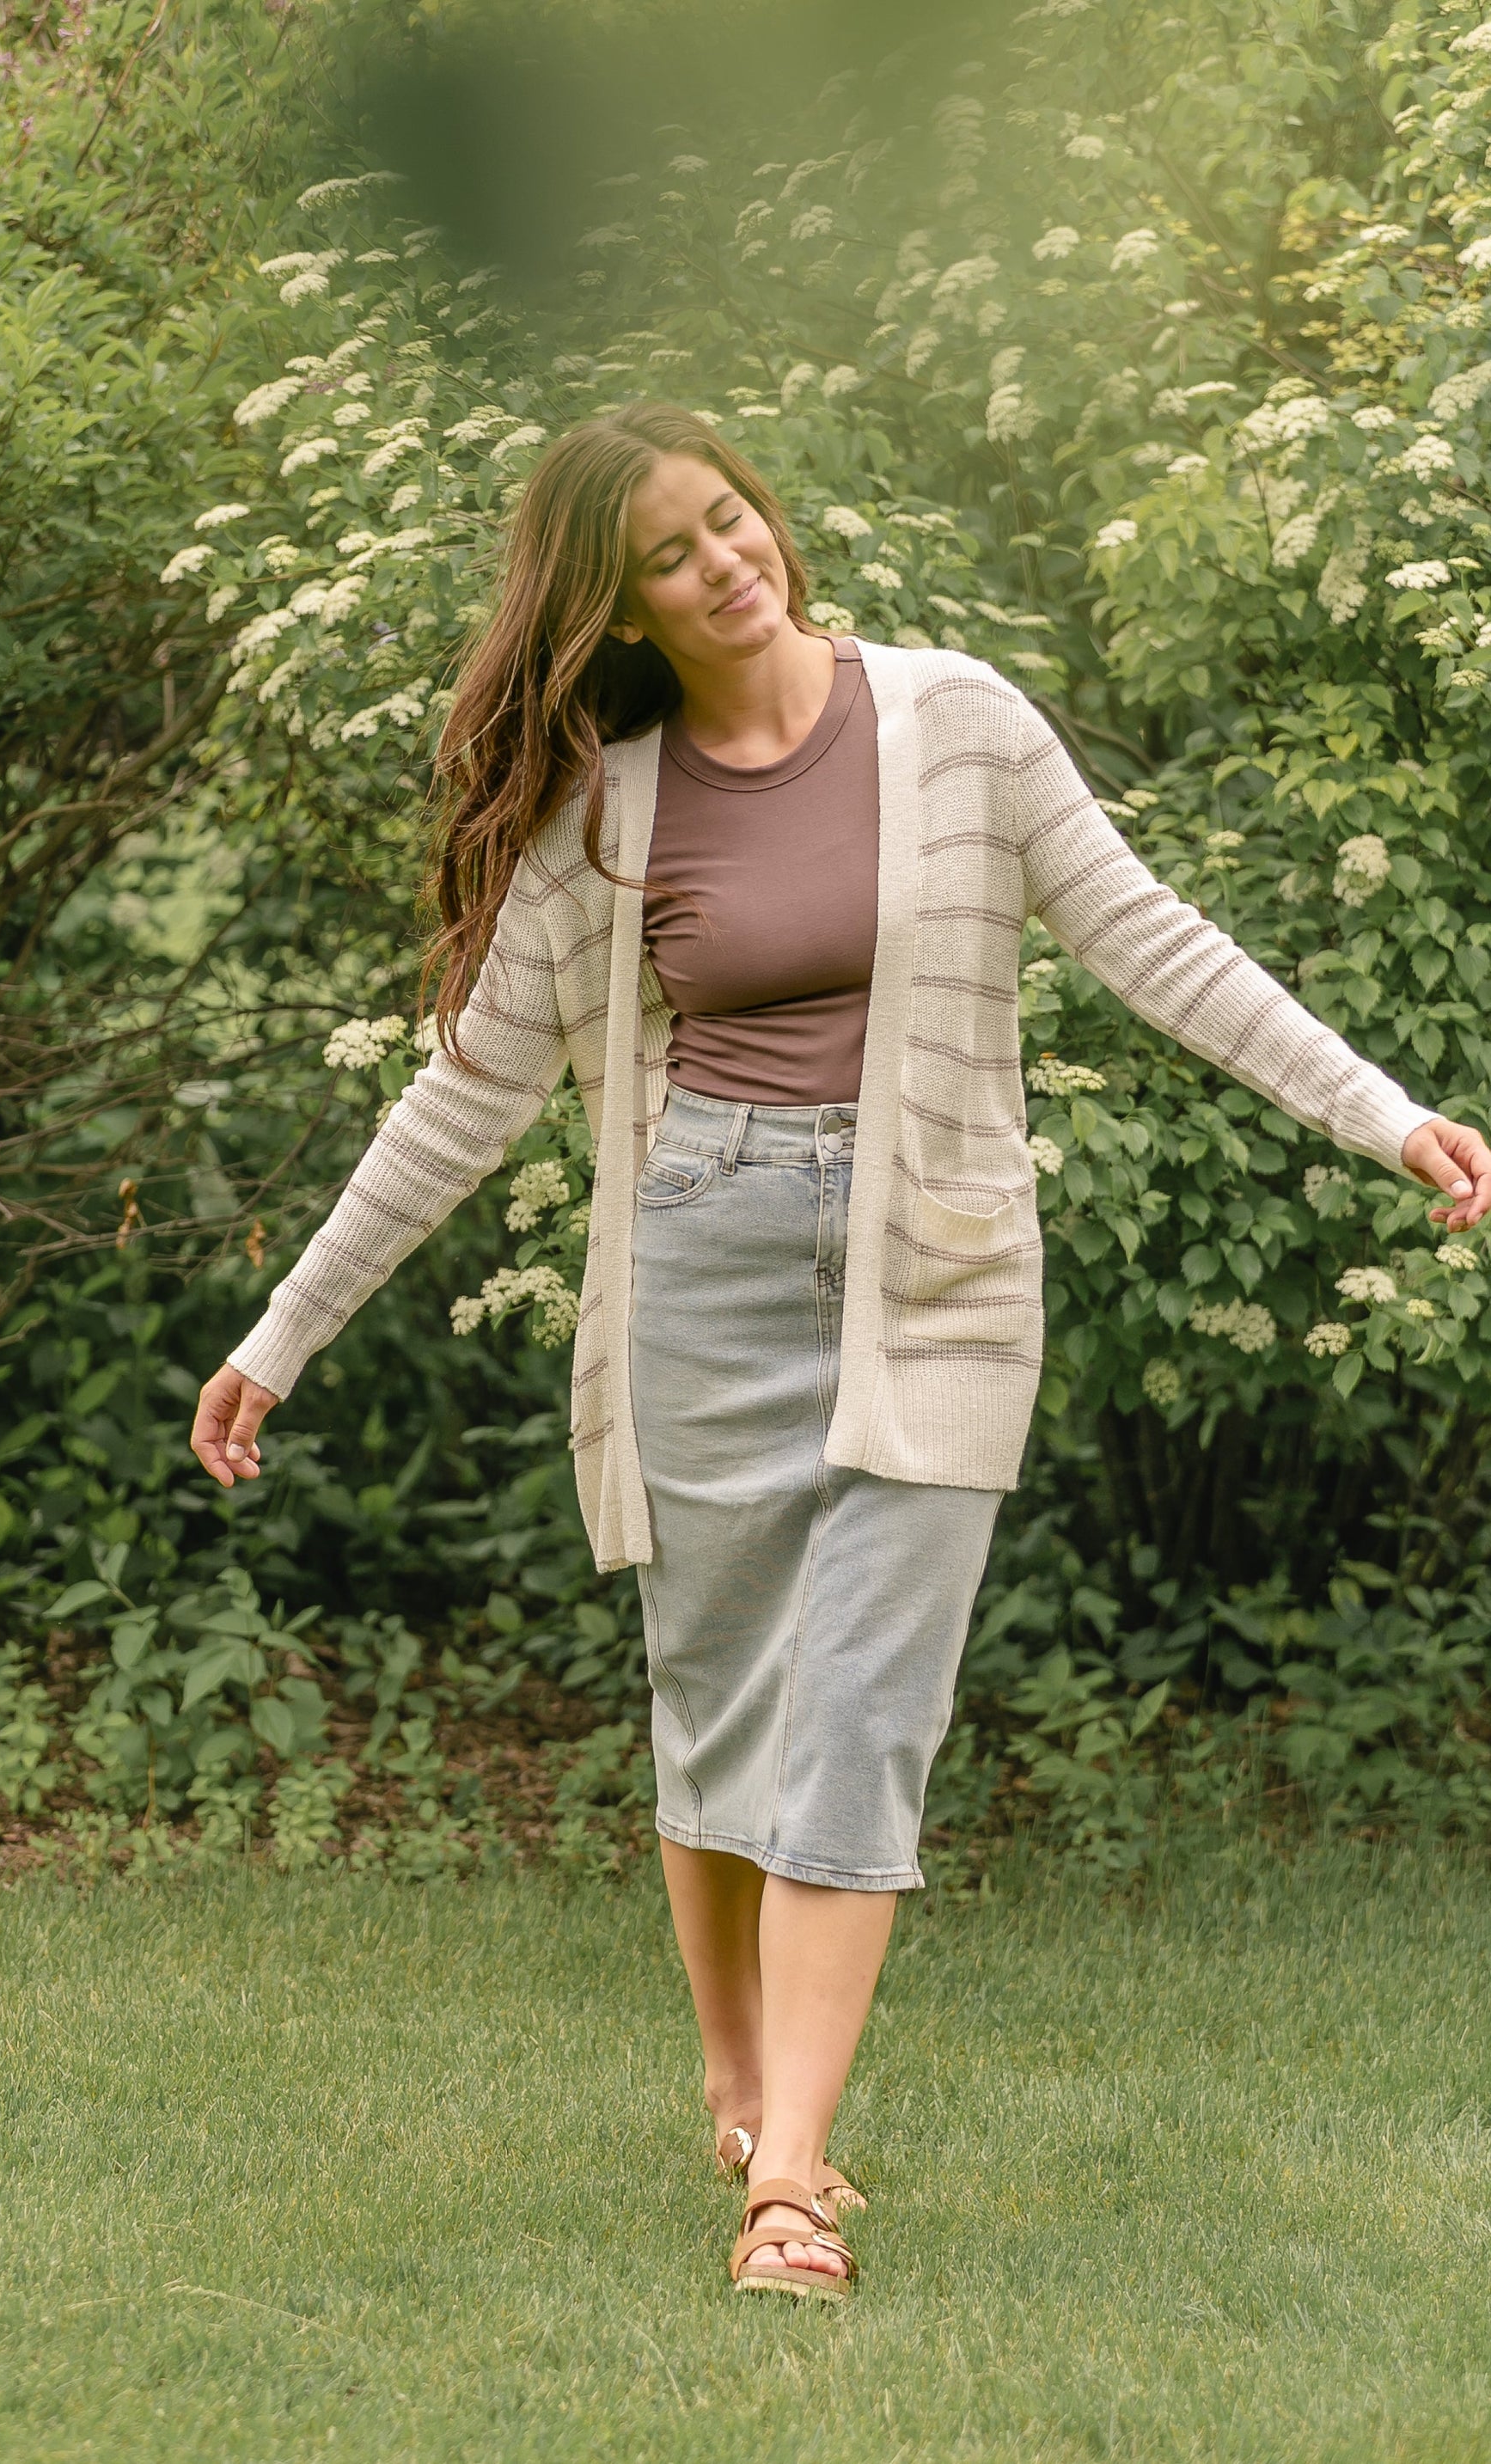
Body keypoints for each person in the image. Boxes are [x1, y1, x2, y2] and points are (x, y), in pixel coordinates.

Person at [190, 402, 1491, 2301]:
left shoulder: (956, 720)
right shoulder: (607, 803)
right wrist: (282, 1332)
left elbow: (1151, 939)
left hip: (940, 1264)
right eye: (668, 554)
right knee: (722, 1700)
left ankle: (787, 2180)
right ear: (617, 608)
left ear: (767, 517)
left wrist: (1384, 1114)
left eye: (728, 519)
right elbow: (467, 1094)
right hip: (702, 1256)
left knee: (864, 1711)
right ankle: (736, 2082)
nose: (723, 563)